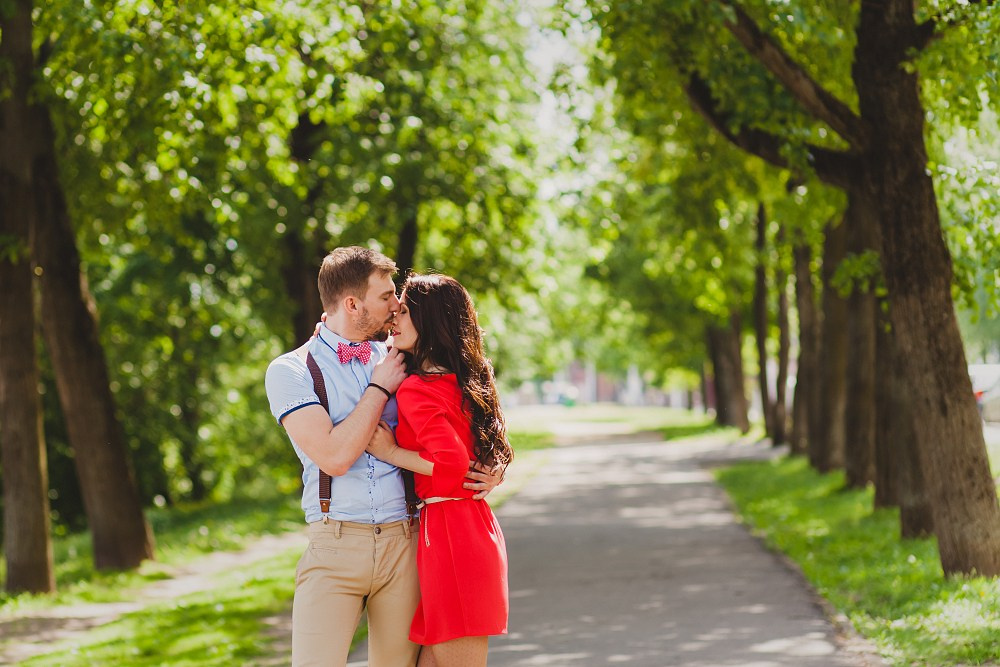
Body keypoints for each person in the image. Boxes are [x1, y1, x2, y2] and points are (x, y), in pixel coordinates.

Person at [264, 247, 500, 667]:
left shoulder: (400, 356)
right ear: (352, 303)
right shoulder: (292, 370)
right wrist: (378, 389)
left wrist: (491, 466)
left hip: (405, 544)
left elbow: (461, 406)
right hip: (335, 544)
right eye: (387, 296)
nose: (396, 307)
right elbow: (334, 458)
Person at [366, 273, 513, 667]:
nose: (393, 320)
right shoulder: (459, 380)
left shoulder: (417, 388)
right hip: (466, 527)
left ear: (430, 320)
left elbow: (449, 463)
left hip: (452, 535)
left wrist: (390, 451)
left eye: (403, 312)